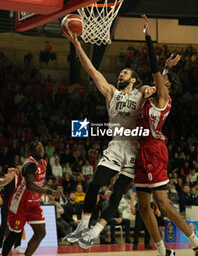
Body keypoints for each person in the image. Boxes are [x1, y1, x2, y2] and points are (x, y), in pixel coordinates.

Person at [63, 26, 155, 249]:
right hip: (115, 147)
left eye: (125, 73)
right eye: (121, 73)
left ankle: (93, 232)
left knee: (116, 195)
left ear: (133, 80)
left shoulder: (141, 92)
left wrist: (152, 89)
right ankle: (83, 226)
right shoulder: (111, 92)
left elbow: (156, 88)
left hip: (134, 149)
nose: (120, 74)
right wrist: (77, 45)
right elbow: (92, 70)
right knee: (95, 184)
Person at [133, 15, 198, 256]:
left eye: (162, 81)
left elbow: (155, 73)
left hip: (154, 150)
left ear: (168, 87)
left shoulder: (163, 98)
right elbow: (159, 77)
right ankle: (163, 251)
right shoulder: (157, 95)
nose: (157, 82)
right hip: (143, 150)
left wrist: (147, 37)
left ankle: (197, 240)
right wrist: (167, 68)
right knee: (143, 207)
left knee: (163, 205)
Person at [1, 141, 55, 256]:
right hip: (20, 204)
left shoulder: (44, 163)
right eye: (38, 148)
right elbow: (30, 186)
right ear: (31, 151)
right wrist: (49, 192)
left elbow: (38, 184)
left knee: (41, 233)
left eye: (42, 148)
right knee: (14, 234)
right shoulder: (30, 164)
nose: (41, 150)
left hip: (34, 204)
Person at [0, 163, 24, 255]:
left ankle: (17, 246)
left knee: (20, 225)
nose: (20, 170)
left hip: (18, 206)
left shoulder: (23, 180)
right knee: (3, 225)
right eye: (18, 168)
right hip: (7, 205)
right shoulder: (9, 177)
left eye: (21, 169)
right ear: (15, 169)